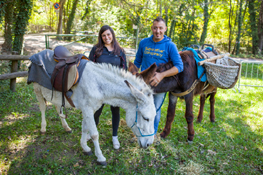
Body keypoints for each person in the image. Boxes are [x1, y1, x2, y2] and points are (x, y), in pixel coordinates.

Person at [134, 17, 184, 137]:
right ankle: (139, 132)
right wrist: (133, 76)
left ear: (165, 29)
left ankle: (152, 134)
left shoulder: (170, 46)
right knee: (140, 107)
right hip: (142, 84)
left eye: (160, 28)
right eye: (155, 28)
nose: (157, 31)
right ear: (151, 28)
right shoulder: (143, 43)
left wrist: (161, 75)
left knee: (154, 110)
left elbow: (179, 66)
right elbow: (137, 62)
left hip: (159, 85)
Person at [89, 25, 127, 149]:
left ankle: (115, 136)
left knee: (115, 111)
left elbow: (124, 70)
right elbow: (89, 67)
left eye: (108, 34)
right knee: (97, 111)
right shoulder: (96, 50)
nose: (107, 37)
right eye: (104, 35)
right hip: (99, 88)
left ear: (112, 35)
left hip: (114, 88)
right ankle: (92, 131)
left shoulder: (120, 51)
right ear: (101, 37)